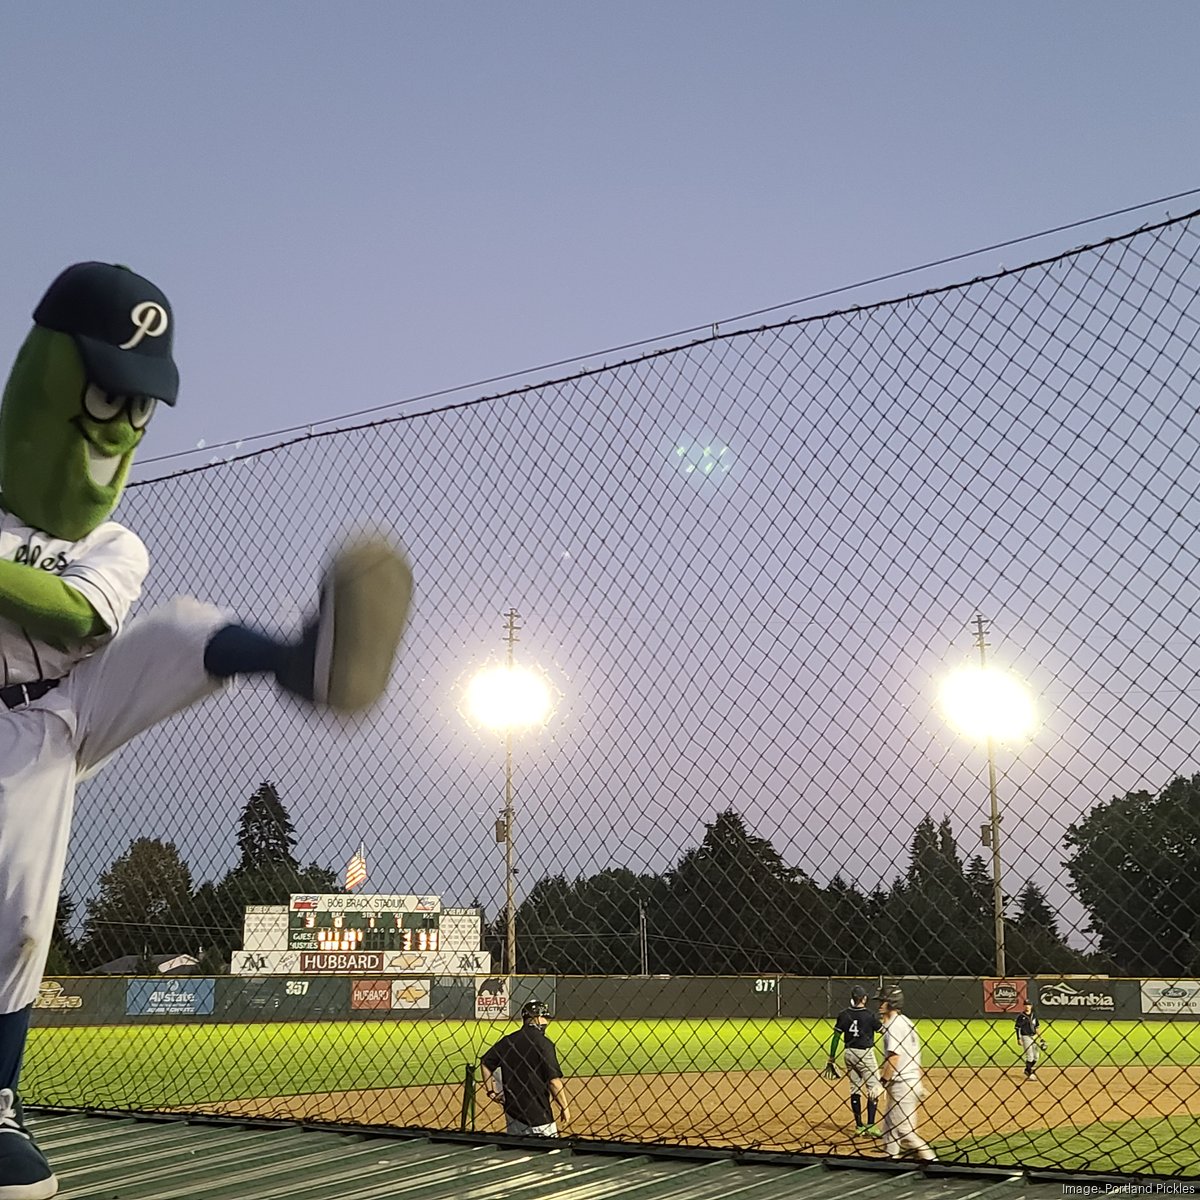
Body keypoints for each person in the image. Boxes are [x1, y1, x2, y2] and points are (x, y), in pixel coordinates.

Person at [0, 262, 412, 1198]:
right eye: (105, 392)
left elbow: (85, 622)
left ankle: (306, 662)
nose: (115, 427)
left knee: (19, 915)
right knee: (18, 910)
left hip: (57, 711)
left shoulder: (113, 543)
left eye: (136, 409)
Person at [480, 1000, 569, 1136]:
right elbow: (553, 1082)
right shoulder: (544, 1044)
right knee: (549, 1153)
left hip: (513, 1115)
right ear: (537, 1018)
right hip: (539, 1117)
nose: (546, 1022)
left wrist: (491, 1092)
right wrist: (564, 1107)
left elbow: (485, 1062)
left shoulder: (508, 1040)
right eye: (545, 1018)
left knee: (518, 1151)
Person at [875, 984, 936, 1163]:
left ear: (891, 1002)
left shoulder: (893, 1026)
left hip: (903, 1085)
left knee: (904, 1132)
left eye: (882, 1001)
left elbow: (894, 1058)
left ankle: (933, 1162)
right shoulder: (907, 1022)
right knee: (888, 1129)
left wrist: (882, 1083)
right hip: (909, 1082)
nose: (879, 1004)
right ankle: (890, 1159)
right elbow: (914, 1054)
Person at [826, 984, 882, 1136]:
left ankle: (859, 1126)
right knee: (874, 1087)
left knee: (855, 1088)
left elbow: (836, 1037)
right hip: (865, 1055)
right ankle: (870, 1125)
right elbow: (883, 1031)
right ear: (864, 998)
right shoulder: (870, 1015)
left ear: (852, 999)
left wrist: (831, 1057)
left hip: (848, 1053)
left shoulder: (844, 1014)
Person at [1014, 1001, 1040, 1082]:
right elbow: (1017, 1028)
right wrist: (1018, 1039)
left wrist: (1040, 1037)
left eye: (1028, 1004)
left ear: (1031, 1006)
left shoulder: (1034, 1015)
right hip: (1025, 1037)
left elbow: (1037, 1027)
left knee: (1036, 1056)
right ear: (1023, 1006)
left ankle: (1027, 1069)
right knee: (1030, 1056)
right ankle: (1029, 1073)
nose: (1027, 1006)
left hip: (1034, 1037)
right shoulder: (1021, 1016)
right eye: (1025, 1005)